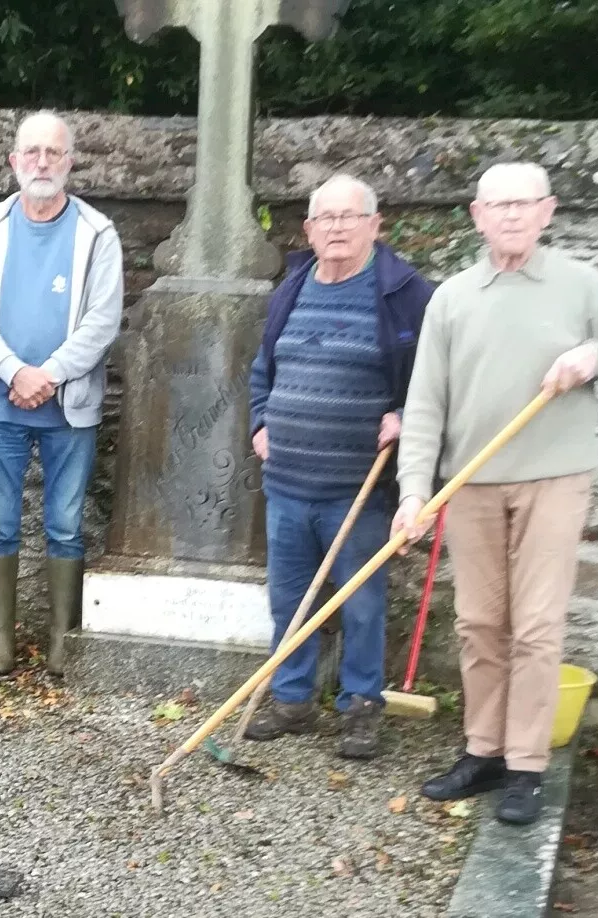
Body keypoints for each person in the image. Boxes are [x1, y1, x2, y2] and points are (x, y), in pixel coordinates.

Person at [393, 162, 598, 824]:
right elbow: (425, 404)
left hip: (553, 479)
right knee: (480, 623)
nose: (510, 215)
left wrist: (595, 358)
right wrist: (413, 492)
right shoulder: (453, 297)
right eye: (496, 205)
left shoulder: (583, 286)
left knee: (536, 626)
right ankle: (483, 751)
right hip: (472, 482)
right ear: (477, 216)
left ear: (548, 211)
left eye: (523, 204)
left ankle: (527, 768)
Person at [246, 174, 434, 758]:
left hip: (359, 486)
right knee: (290, 598)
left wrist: (405, 414)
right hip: (287, 481)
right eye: (325, 218)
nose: (336, 228)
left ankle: (359, 705)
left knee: (362, 601)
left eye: (349, 217)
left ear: (375, 226)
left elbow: (435, 376)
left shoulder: (406, 294)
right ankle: (293, 699)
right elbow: (263, 367)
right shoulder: (291, 287)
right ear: (308, 229)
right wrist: (259, 422)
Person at [0, 110, 123, 677]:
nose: (42, 162)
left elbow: (103, 322)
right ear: (14, 162)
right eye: (32, 152)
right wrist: (12, 372)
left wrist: (46, 374)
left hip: (69, 410)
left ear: (70, 162)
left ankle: (61, 643)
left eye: (54, 152)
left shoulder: (98, 234)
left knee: (66, 525)